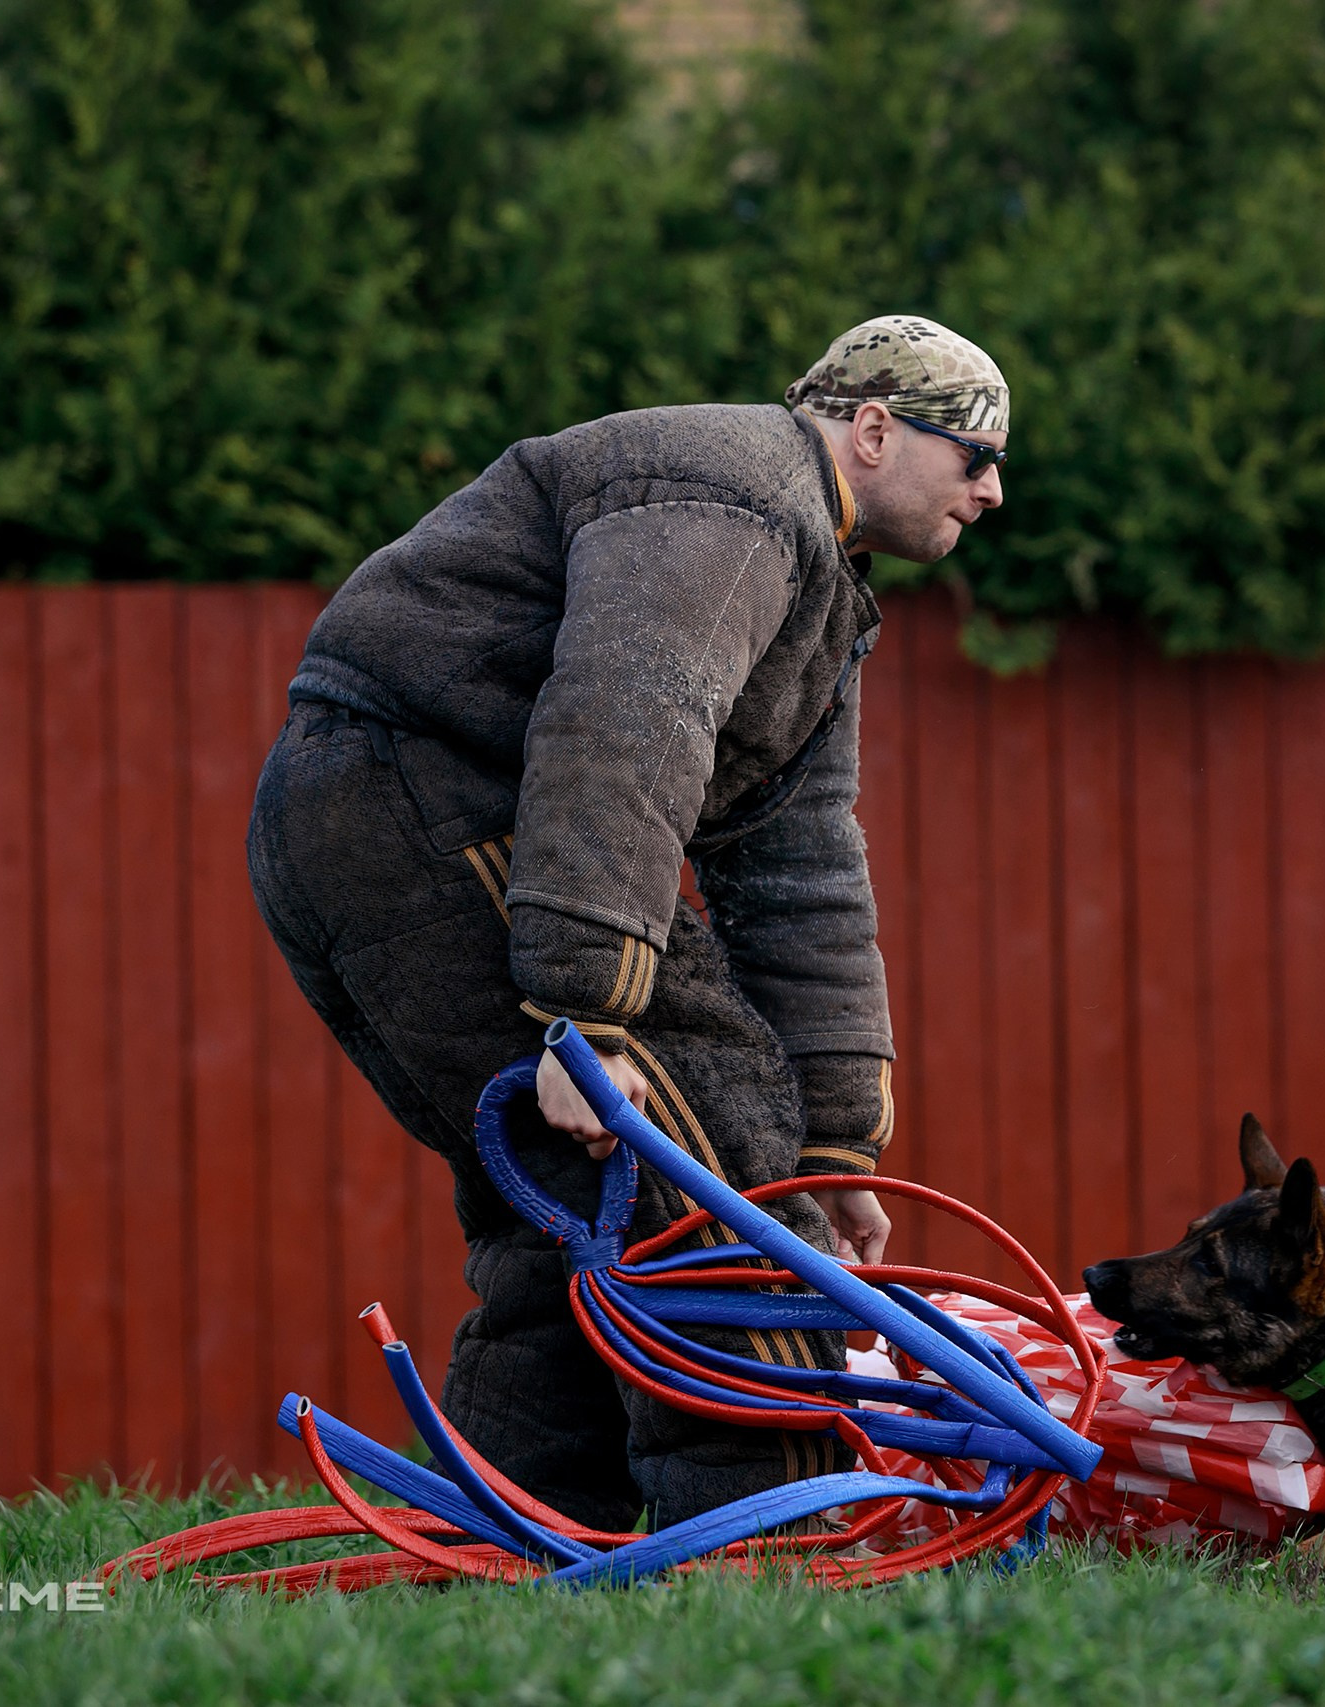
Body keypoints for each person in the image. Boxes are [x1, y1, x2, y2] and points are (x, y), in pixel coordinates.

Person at [246, 315, 1009, 1529]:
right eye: (975, 456)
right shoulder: (734, 495)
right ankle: (774, 1538)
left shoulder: (815, 579)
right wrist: (587, 1016)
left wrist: (838, 1142)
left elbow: (797, 864)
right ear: (873, 431)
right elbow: (621, 727)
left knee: (570, 1199)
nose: (994, 489)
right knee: (704, 1167)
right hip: (421, 802)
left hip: (389, 814)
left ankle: (522, 1533)